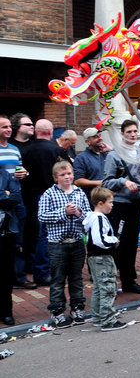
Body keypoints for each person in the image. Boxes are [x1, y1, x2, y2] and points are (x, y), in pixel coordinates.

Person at [102, 119, 140, 294]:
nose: (133, 135)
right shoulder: (114, 155)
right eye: (129, 132)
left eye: (135, 132)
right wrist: (124, 182)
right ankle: (109, 280)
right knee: (119, 242)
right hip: (121, 203)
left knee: (132, 242)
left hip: (137, 202)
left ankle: (128, 280)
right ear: (122, 134)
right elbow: (107, 181)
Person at [38, 161, 92, 327]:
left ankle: (77, 308)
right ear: (56, 178)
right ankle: (58, 311)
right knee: (58, 278)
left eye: (69, 174)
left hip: (76, 242)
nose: (66, 177)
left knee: (76, 277)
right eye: (62, 175)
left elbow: (88, 217)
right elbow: (42, 216)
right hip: (57, 244)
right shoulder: (49, 194)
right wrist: (63, 212)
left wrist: (77, 212)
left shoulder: (79, 193)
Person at [21, 119, 68, 287]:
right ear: (50, 132)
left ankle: (32, 267)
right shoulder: (56, 150)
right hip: (52, 196)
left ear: (36, 132)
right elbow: (66, 174)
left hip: (30, 197)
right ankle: (43, 271)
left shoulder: (26, 151)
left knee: (33, 233)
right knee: (46, 234)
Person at [83, 187, 126, 331]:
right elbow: (99, 239)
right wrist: (113, 241)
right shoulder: (99, 218)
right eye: (110, 202)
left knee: (99, 288)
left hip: (95, 258)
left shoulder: (92, 217)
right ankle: (108, 320)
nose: (112, 205)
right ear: (100, 203)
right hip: (102, 257)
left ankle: (98, 317)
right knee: (108, 287)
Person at [0, 114, 31, 291]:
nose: (9, 129)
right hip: (1, 203)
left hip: (16, 200)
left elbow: (21, 170)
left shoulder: (14, 149)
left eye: (9, 126)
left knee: (18, 240)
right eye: (4, 127)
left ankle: (18, 277)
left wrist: (24, 174)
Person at [0, 164, 22, 326]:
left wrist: (8, 194)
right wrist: (4, 194)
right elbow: (8, 195)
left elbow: (16, 197)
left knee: (6, 275)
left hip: (6, 232)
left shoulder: (6, 175)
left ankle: (7, 312)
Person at [73, 128, 109, 199]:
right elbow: (78, 181)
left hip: (109, 197)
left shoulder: (108, 154)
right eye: (95, 137)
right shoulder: (81, 158)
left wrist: (111, 150)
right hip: (92, 198)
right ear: (88, 141)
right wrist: (99, 183)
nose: (100, 138)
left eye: (100, 135)